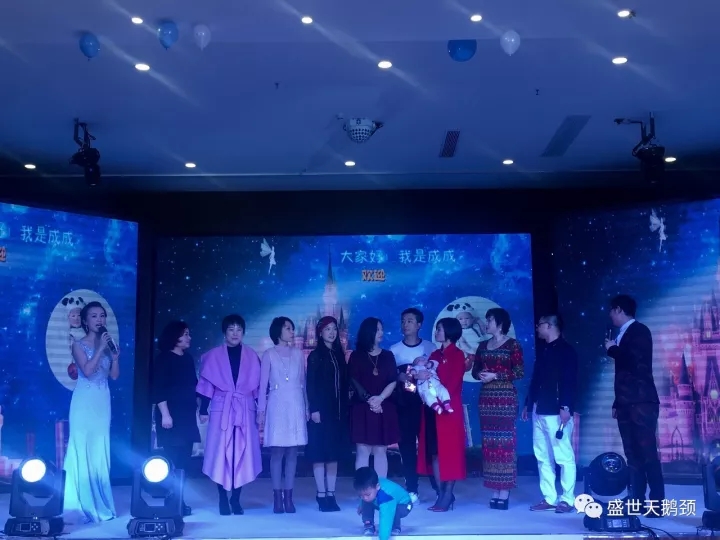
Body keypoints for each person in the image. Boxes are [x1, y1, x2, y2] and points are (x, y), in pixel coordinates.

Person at [196, 314, 262, 515]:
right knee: (221, 454)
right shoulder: (212, 356)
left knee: (241, 453)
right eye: (231, 329)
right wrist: (203, 409)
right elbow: (206, 385)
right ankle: (222, 498)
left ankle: (236, 498)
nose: (235, 333)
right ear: (224, 332)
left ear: (243, 332)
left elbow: (258, 388)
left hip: (244, 408)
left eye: (239, 329)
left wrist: (261, 411)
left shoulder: (252, 356)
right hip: (221, 408)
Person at [605, 295, 664, 515]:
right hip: (626, 403)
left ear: (619, 310)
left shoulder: (639, 331)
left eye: (611, 310)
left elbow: (636, 363)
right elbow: (625, 374)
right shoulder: (623, 333)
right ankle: (636, 500)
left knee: (647, 453)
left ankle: (657, 504)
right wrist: (617, 401)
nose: (610, 315)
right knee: (632, 454)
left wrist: (612, 349)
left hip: (641, 403)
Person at [63, 301, 119, 523]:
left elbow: (114, 375)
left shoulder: (108, 344)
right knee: (82, 446)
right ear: (85, 321)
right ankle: (80, 503)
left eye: (102, 316)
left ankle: (101, 500)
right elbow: (87, 371)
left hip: (102, 401)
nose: (99, 320)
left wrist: (115, 357)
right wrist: (101, 349)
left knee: (99, 448)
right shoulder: (78, 345)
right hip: (84, 402)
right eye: (94, 316)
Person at [522, 314, 577, 513]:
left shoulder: (566, 350)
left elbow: (569, 380)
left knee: (563, 456)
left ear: (549, 326)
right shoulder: (545, 350)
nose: (537, 328)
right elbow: (536, 379)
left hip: (556, 411)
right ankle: (549, 498)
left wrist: (566, 406)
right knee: (542, 456)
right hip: (539, 409)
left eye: (540, 325)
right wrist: (528, 404)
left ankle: (567, 499)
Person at [472, 307, 524, 510]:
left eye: (490, 320)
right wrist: (480, 375)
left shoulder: (513, 345)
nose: (486, 324)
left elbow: (519, 372)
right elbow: (475, 370)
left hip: (505, 400)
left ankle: (505, 489)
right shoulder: (482, 345)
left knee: (505, 444)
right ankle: (494, 488)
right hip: (486, 400)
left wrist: (496, 376)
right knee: (490, 445)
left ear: (500, 323)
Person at [257, 317, 308, 514]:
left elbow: (303, 384)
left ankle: (289, 497)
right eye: (288, 328)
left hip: (295, 404)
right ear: (278, 331)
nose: (292, 331)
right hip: (277, 404)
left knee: (293, 452)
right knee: (277, 452)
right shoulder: (269, 354)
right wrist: (261, 412)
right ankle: (277, 497)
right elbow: (263, 386)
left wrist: (306, 407)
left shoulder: (298, 354)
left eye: (292, 328)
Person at [417, 318, 467, 512]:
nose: (437, 332)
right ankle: (441, 493)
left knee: (450, 453)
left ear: (449, 332)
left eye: (440, 329)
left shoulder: (457, 354)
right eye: (437, 328)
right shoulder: (434, 354)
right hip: (431, 410)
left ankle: (447, 494)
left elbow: (453, 384)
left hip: (448, 410)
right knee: (435, 452)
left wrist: (437, 393)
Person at [152, 321, 201, 517]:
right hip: (170, 417)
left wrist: (200, 407)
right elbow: (158, 389)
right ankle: (171, 500)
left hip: (186, 416)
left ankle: (178, 500)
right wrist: (165, 414)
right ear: (175, 336)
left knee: (184, 463)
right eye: (185, 334)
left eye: (189, 333)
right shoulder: (163, 359)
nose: (189, 338)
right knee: (174, 460)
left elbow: (193, 385)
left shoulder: (187, 358)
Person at [389, 308, 438, 502]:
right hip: (405, 405)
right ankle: (411, 488)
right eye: (403, 321)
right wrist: (401, 376)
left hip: (427, 405)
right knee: (407, 446)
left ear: (419, 325)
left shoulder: (430, 347)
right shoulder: (394, 350)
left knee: (430, 446)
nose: (405, 324)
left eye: (410, 321)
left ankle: (438, 486)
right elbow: (391, 376)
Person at [305, 316, 349, 512]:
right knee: (319, 453)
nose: (332, 332)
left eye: (334, 329)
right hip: (321, 412)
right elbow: (311, 384)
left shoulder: (339, 355)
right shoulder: (315, 356)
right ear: (320, 332)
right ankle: (321, 494)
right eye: (327, 329)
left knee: (333, 454)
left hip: (337, 412)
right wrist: (314, 409)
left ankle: (331, 493)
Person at [349, 318, 399, 479]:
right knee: (362, 450)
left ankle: (380, 488)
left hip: (383, 407)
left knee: (380, 450)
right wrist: (370, 400)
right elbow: (353, 380)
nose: (381, 333)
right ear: (368, 332)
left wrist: (380, 398)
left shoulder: (388, 356)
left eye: (381, 329)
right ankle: (363, 490)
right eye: (377, 329)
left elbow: (393, 380)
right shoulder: (356, 356)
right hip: (362, 408)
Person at [354, 466, 412, 539]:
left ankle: (395, 526)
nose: (364, 497)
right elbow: (365, 495)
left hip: (405, 505)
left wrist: (383, 538)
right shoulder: (371, 488)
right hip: (386, 501)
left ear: (377, 486)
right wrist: (361, 505)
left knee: (392, 512)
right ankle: (369, 524)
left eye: (367, 494)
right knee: (367, 501)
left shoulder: (385, 496)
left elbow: (385, 519)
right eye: (361, 495)